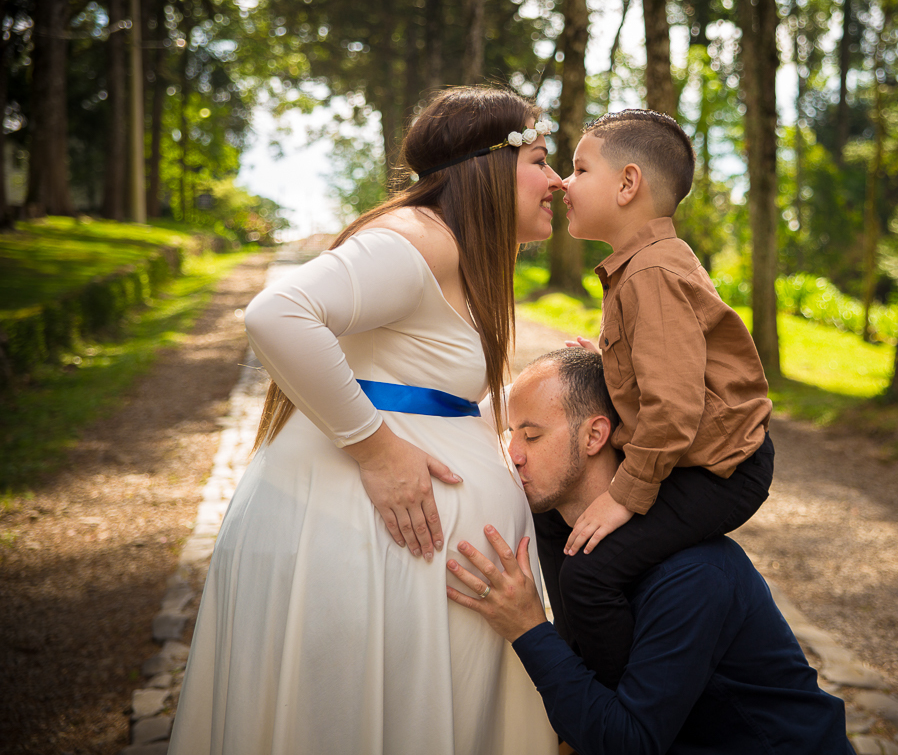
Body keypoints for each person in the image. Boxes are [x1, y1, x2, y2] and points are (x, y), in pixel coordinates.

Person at [168, 87, 561, 755]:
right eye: (543, 160)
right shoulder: (415, 240)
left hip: (390, 565)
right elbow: (276, 314)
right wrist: (377, 451)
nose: (557, 181)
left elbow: (439, 394)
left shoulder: (458, 255)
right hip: (349, 551)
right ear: (492, 167)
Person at [445, 349, 852, 755]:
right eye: (511, 433)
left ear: (594, 436)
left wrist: (528, 629)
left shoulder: (694, 574)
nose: (513, 454)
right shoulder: (560, 532)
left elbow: (629, 744)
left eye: (531, 436)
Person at [543, 109, 775, 688]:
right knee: (555, 513)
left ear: (627, 184)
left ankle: (619, 707)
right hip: (688, 454)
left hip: (721, 470)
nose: (562, 183)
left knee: (589, 574)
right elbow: (664, 367)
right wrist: (604, 361)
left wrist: (627, 495)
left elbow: (672, 409)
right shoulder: (642, 266)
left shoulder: (650, 273)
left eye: (579, 168)